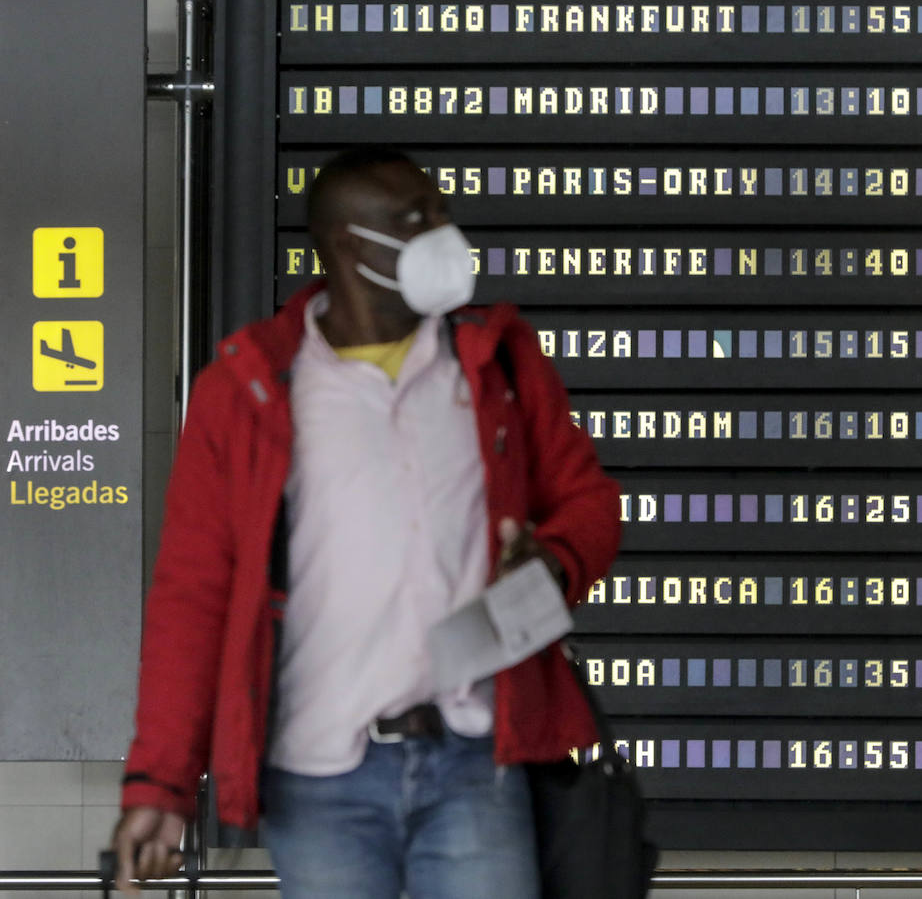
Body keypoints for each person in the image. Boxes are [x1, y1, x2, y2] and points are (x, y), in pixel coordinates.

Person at [110, 145, 621, 897]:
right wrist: (161, 783)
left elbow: (590, 502)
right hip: (319, 776)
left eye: (443, 212)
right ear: (351, 246)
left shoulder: (495, 362)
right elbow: (194, 597)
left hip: (477, 757)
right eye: (419, 219)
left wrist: (553, 562)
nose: (445, 233)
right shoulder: (246, 391)